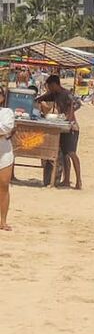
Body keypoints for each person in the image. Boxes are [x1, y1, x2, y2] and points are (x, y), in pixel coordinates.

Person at [36, 74, 82, 189]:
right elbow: (42, 98)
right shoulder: (55, 94)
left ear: (55, 84)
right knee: (65, 154)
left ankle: (79, 181)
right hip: (62, 126)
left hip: (72, 127)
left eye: (50, 86)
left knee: (71, 153)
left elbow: (76, 104)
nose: (49, 88)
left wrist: (69, 116)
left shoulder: (66, 94)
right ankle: (66, 180)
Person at [0, 88, 14, 230]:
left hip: (3, 151)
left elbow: (6, 128)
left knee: (3, 185)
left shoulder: (7, 112)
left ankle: (3, 220)